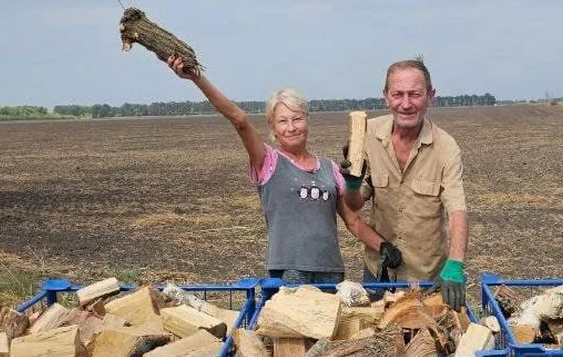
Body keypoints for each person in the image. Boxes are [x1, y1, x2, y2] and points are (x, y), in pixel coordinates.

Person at [165, 55, 400, 285]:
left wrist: (383, 246)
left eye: (297, 119)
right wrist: (197, 78)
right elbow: (239, 119)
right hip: (288, 273)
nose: (291, 127)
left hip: (330, 272)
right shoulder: (268, 161)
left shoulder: (330, 168)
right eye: (283, 121)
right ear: (273, 128)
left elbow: (353, 222)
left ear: (307, 121)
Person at [340, 59, 469, 309]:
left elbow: (456, 210)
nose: (406, 103)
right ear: (386, 97)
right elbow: (354, 205)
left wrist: (455, 264)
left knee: (423, 344)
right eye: (398, 94)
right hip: (378, 271)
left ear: (430, 96)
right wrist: (353, 186)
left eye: (415, 94)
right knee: (375, 340)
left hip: (425, 276)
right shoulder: (367, 135)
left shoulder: (446, 147)